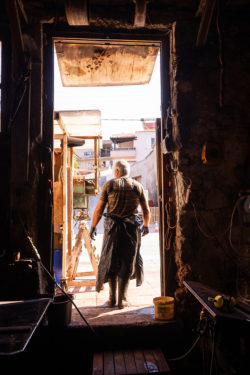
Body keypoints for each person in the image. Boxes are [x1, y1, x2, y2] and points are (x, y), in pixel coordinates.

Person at [90, 160, 150, 309]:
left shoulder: (109, 185)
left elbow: (98, 209)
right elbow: (146, 210)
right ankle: (122, 300)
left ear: (116, 171)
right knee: (127, 262)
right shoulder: (137, 186)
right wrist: (147, 226)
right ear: (127, 172)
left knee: (111, 260)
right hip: (130, 230)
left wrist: (93, 227)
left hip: (112, 230)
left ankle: (112, 299)